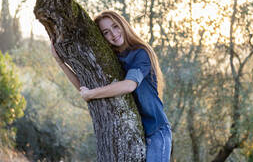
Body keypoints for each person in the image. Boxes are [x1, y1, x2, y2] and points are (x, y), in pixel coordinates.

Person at [51, 10, 172, 162]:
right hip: (135, 132)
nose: (113, 34)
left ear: (123, 25)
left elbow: (129, 85)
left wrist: (91, 94)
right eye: (106, 32)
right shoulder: (112, 60)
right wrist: (61, 62)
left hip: (156, 131)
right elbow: (84, 88)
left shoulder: (140, 54)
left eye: (115, 27)